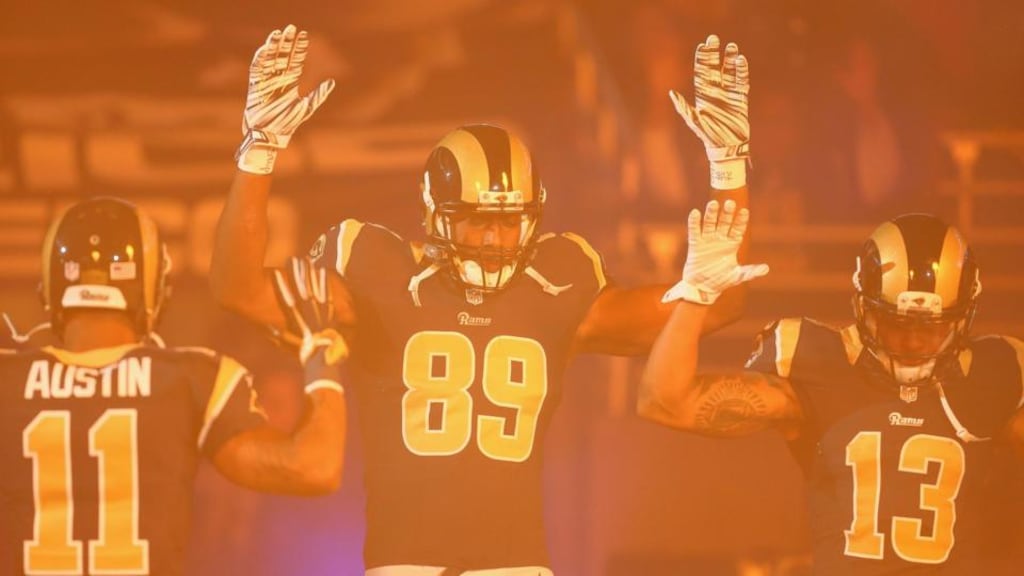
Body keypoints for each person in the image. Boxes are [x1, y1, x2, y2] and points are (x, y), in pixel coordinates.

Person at [210, 26, 752, 575]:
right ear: (435, 214)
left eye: (508, 222)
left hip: (515, 566)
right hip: (403, 565)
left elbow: (721, 303)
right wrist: (259, 155)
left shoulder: (556, 283)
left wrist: (727, 167)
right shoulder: (378, 270)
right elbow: (240, 289)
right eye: (476, 221)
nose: (494, 240)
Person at [638, 202, 1024, 574]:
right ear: (863, 307)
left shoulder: (990, 377)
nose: (913, 342)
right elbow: (665, 402)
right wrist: (696, 297)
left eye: (931, 327)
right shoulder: (821, 369)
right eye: (897, 324)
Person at [0, 197, 347, 576]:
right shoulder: (188, 380)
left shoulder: (8, 379)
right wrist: (320, 353)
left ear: (51, 286)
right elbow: (314, 468)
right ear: (150, 287)